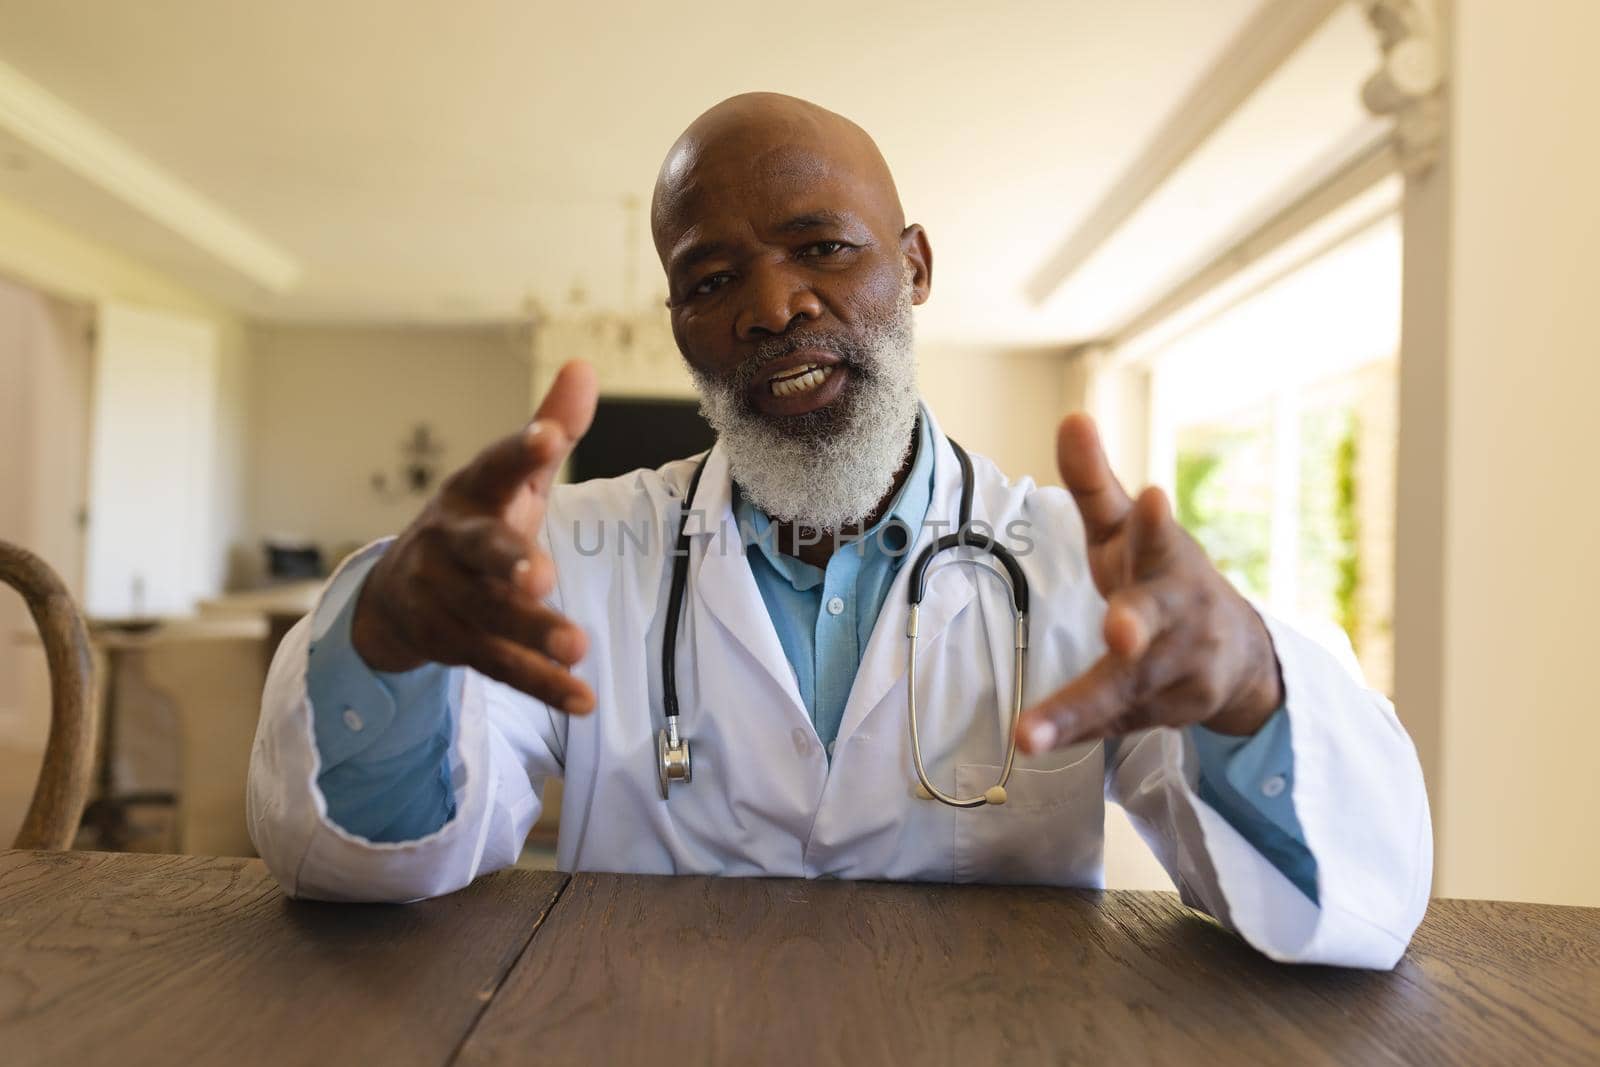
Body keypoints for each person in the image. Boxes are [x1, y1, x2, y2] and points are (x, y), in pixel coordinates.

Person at [248, 93, 1430, 969]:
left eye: (823, 247)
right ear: (679, 326)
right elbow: (356, 864)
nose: (772, 307)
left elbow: (1358, 907)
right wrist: (388, 641)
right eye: (711, 279)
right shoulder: (573, 554)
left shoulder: (1079, 569)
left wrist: (1247, 698)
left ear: (911, 267)